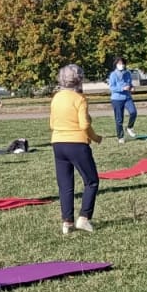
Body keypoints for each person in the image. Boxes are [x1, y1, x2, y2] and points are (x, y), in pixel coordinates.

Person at [49, 63, 101, 234]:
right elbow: (84, 124)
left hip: (58, 143)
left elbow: (51, 123)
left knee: (65, 185)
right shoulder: (80, 99)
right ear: (79, 80)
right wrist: (95, 137)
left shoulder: (56, 98)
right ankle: (84, 217)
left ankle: (67, 222)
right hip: (77, 143)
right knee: (91, 181)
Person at [107, 57, 138, 143]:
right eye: (120, 64)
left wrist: (132, 88)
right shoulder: (113, 75)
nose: (122, 65)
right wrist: (122, 88)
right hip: (117, 99)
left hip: (127, 98)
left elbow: (130, 84)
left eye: (123, 63)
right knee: (119, 119)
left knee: (133, 112)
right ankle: (120, 137)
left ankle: (129, 127)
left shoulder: (127, 73)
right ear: (116, 65)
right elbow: (112, 87)